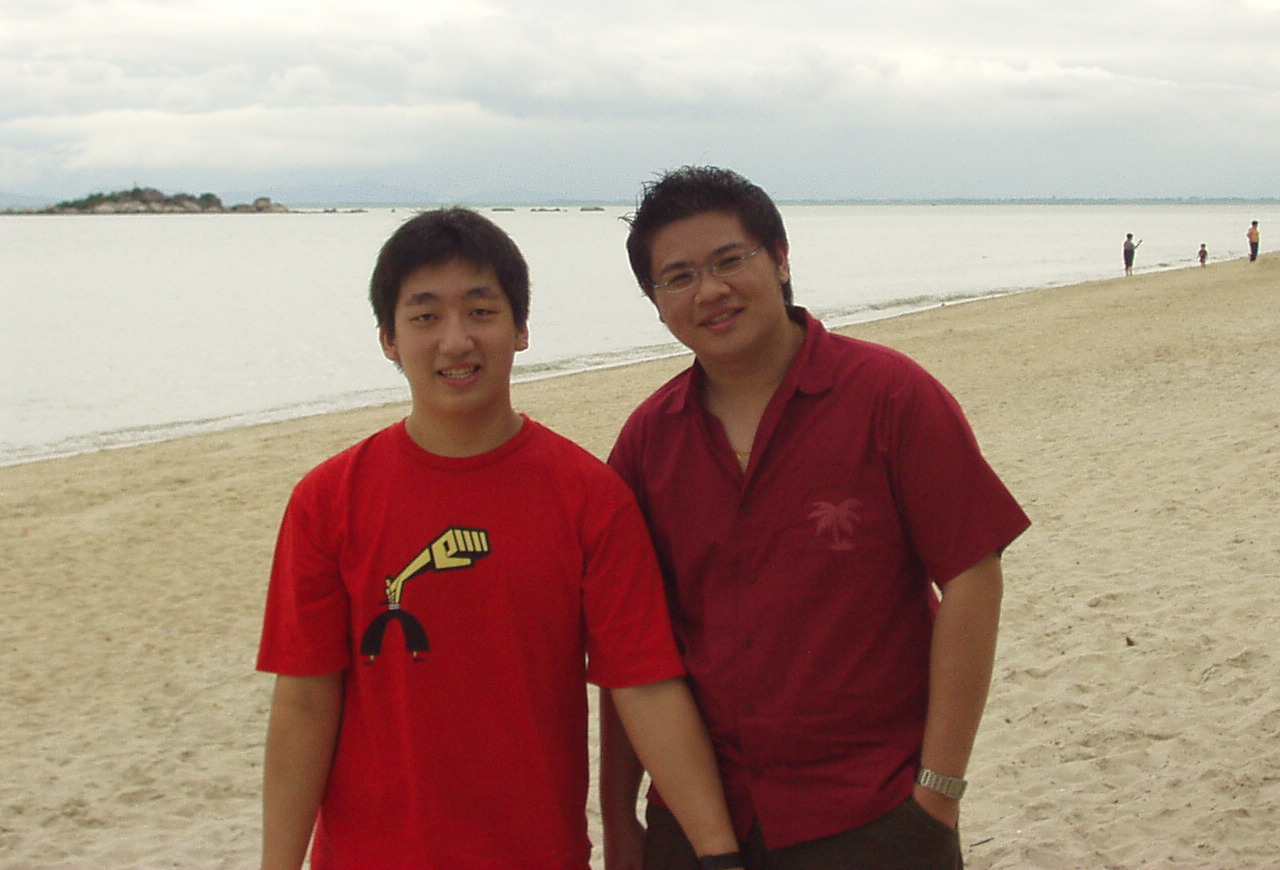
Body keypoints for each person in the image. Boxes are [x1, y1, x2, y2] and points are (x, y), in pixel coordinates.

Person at [257, 208, 742, 870]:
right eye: (425, 316)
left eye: (481, 312)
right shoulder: (328, 500)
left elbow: (644, 685)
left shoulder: (589, 497)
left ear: (520, 330)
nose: (455, 340)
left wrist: (717, 851)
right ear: (389, 339)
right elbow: (305, 702)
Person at [599, 167, 1030, 870]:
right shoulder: (649, 441)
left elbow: (973, 576)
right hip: (701, 821)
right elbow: (630, 647)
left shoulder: (890, 396)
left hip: (872, 813)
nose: (709, 291)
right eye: (678, 277)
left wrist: (938, 793)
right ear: (655, 301)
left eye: (729, 260)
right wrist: (621, 819)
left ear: (779, 257)